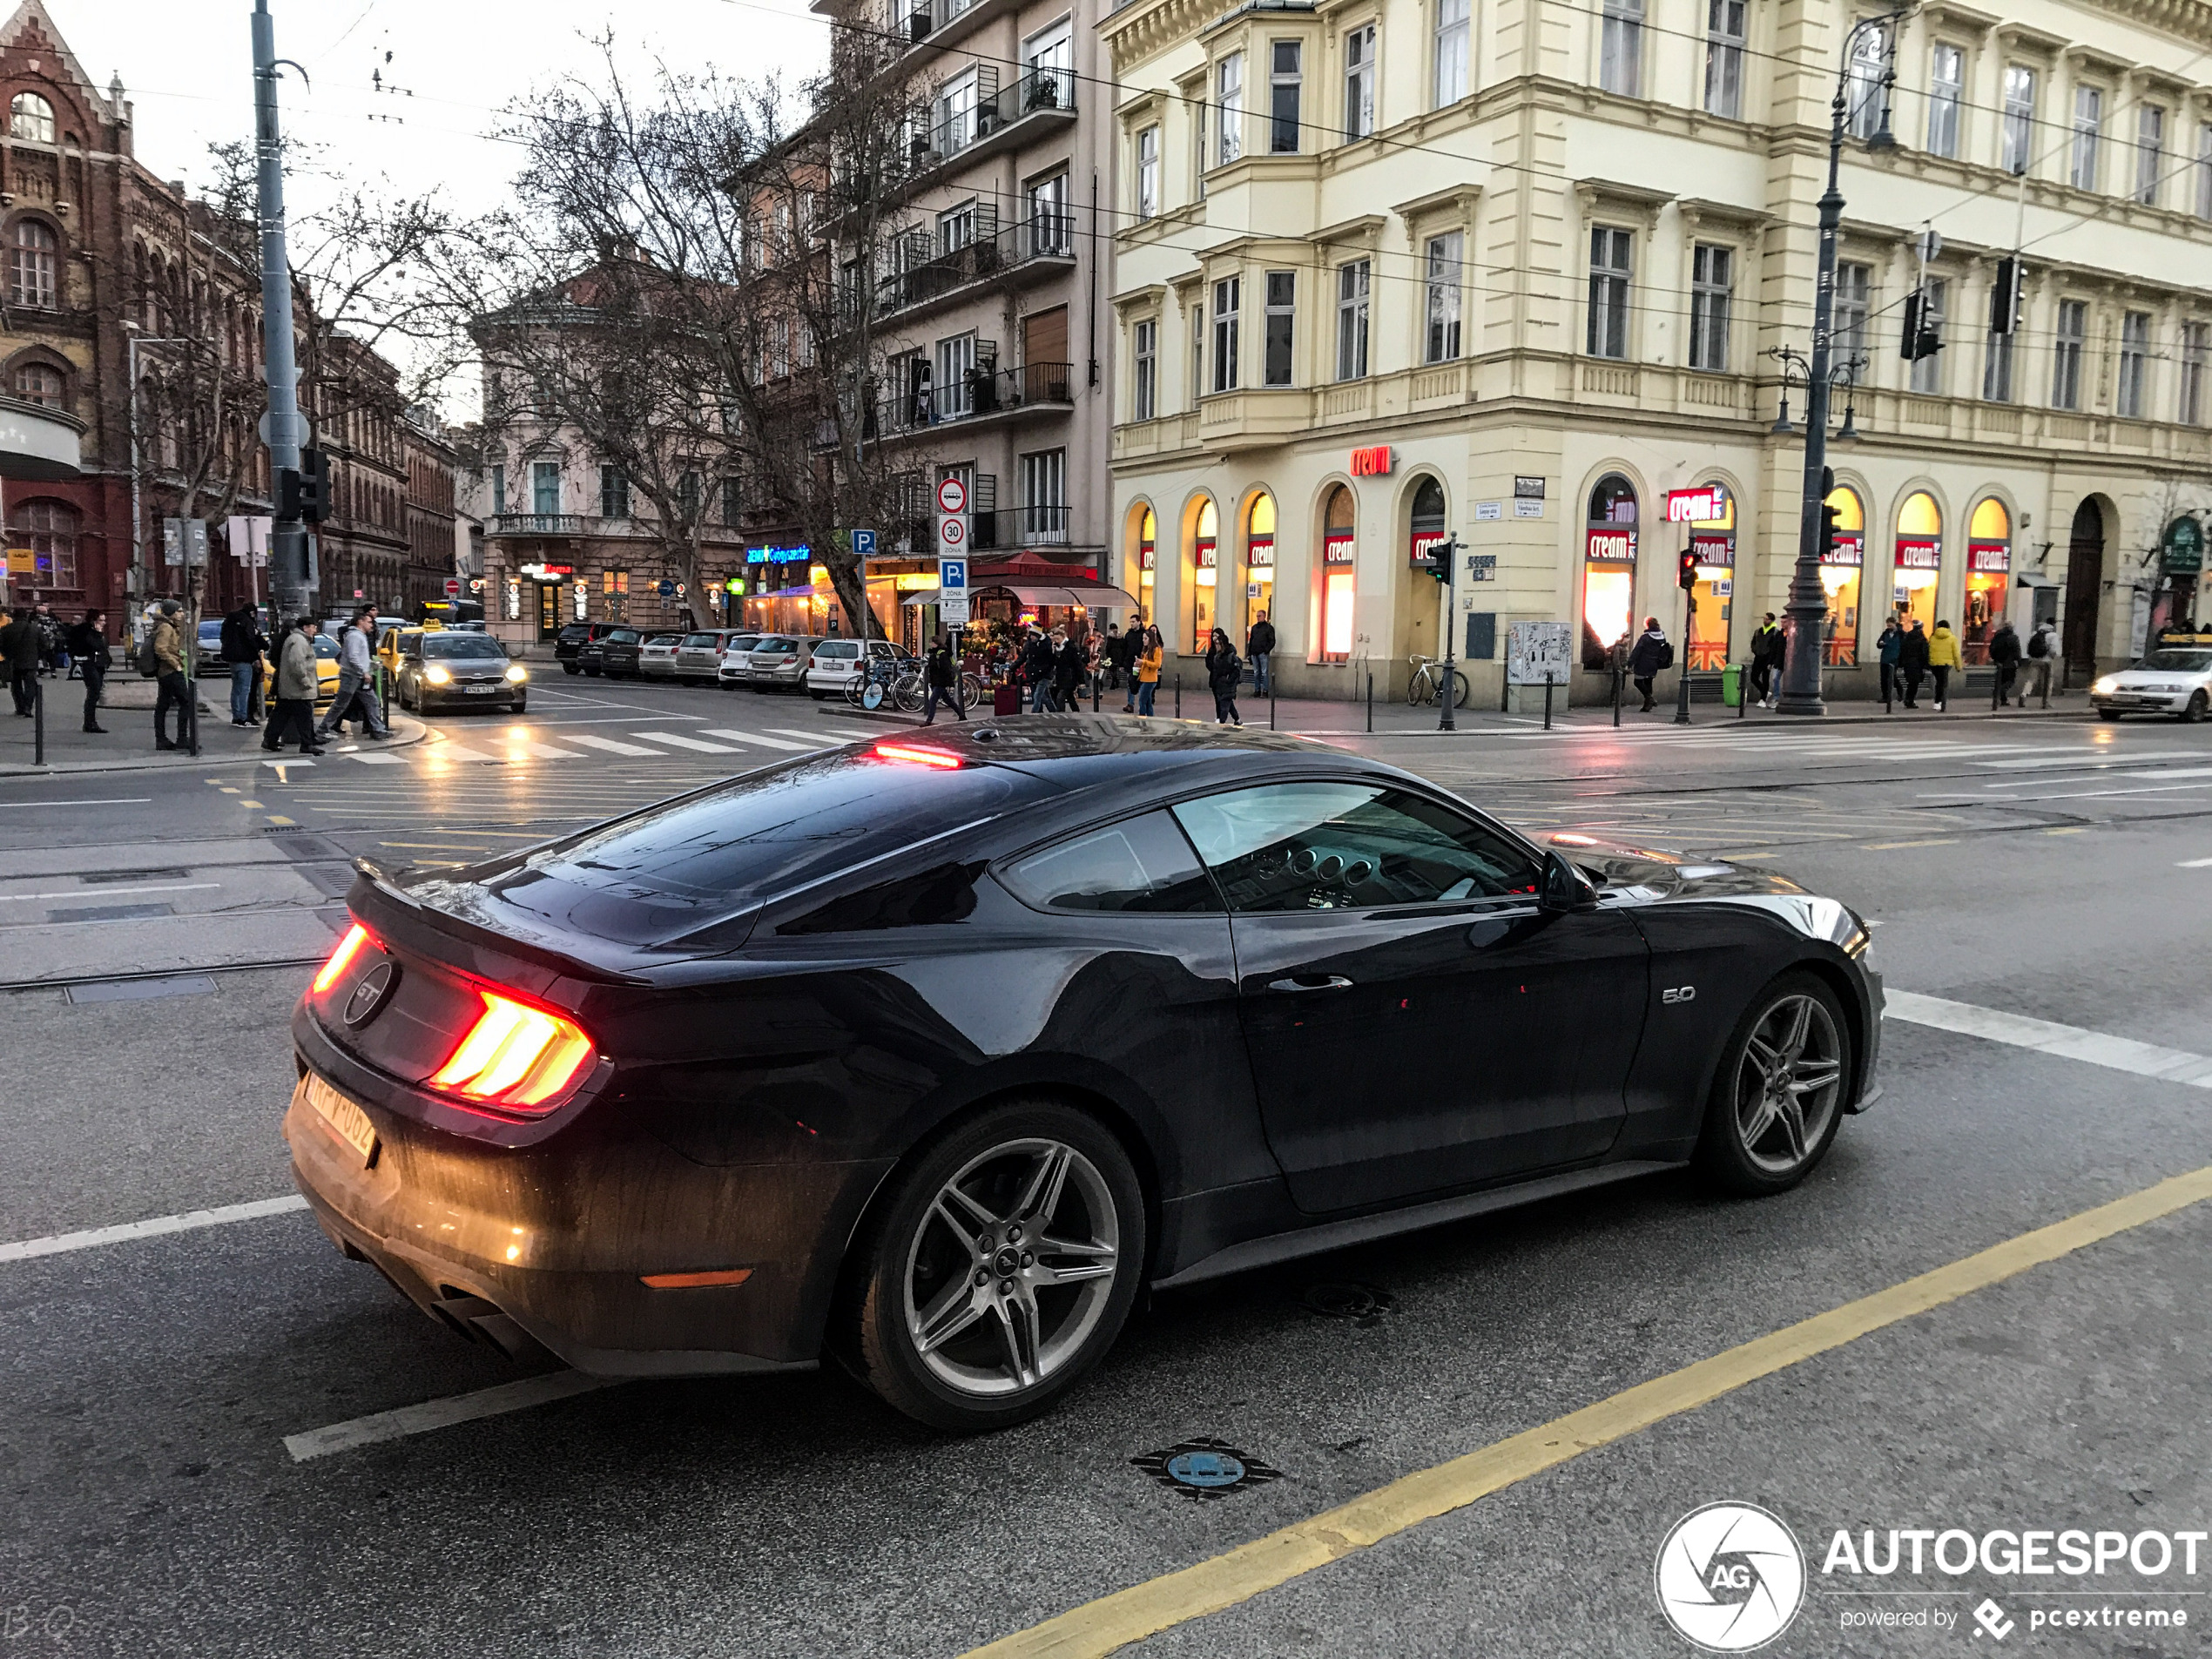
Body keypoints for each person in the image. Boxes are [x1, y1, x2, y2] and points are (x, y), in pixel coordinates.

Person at [315, 608, 390, 742]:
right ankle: (322, 730)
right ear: (360, 622)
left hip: (357, 676)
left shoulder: (357, 636)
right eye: (368, 622)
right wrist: (364, 672)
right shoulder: (355, 636)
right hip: (353, 676)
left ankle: (378, 730)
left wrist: (369, 666)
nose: (371, 625)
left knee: (372, 702)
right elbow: (353, 657)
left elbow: (355, 657)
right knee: (341, 704)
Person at [263, 617, 325, 755]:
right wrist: (305, 682)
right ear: (305, 628)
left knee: (281, 713)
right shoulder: (299, 641)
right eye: (313, 627)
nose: (315, 630)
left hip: (289, 687)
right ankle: (307, 744)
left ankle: (270, 740)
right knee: (305, 715)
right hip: (297, 688)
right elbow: (297, 663)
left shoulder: (296, 639)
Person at [151, 600, 192, 751]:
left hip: (166, 672)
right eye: (179, 611)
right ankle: (182, 738)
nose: (182, 614)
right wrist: (177, 665)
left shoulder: (168, 626)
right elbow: (160, 649)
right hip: (170, 672)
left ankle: (161, 739)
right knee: (186, 702)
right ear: (172, 613)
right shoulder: (166, 627)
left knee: (163, 705)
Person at [219, 600, 264, 727]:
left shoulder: (229, 621)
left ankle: (236, 715)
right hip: (245, 658)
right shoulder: (247, 622)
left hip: (231, 658)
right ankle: (244, 717)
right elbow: (250, 640)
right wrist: (255, 657)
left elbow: (223, 637)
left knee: (236, 688)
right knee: (245, 689)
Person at [66, 610, 109, 733]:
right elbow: (95, 645)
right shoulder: (88, 633)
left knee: (95, 693)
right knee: (93, 692)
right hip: (89, 664)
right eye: (101, 620)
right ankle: (89, 722)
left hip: (99, 664)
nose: (104, 623)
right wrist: (98, 634)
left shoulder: (96, 632)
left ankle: (90, 721)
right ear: (94, 621)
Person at [921, 628, 964, 725]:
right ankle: (961, 715)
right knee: (948, 700)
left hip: (941, 682)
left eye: (931, 642)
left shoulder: (942, 654)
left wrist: (951, 684)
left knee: (932, 700)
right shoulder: (933, 653)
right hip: (936, 681)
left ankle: (929, 721)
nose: (930, 644)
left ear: (935, 643)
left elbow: (946, 670)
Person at [1628, 616, 1669, 712]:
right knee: (1648, 682)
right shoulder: (1662, 637)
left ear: (1648, 625)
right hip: (1654, 663)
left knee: (1637, 682)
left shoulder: (1645, 638)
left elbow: (1637, 650)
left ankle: (1649, 698)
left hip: (1643, 662)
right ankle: (1647, 706)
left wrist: (1630, 662)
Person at [0, 606, 37, 717]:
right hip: (30, 661)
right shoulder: (34, 629)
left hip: (14, 661)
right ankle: (28, 706)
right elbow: (44, 645)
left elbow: (1, 645)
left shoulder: (6, 629)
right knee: (30, 685)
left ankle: (20, 707)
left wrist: (7, 655)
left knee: (16, 685)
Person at [1204, 626, 1243, 725]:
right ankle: (1237, 719)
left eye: (1218, 643)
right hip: (1219, 684)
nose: (1215, 645)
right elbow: (1211, 666)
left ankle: (1221, 722)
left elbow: (1235, 671)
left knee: (1225, 704)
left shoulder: (1230, 655)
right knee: (1227, 703)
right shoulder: (1216, 655)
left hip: (1227, 685)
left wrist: (1229, 680)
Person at [1749, 613, 1786, 708]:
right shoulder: (1758, 631)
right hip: (1758, 657)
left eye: (1766, 619)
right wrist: (1755, 650)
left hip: (1768, 658)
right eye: (1764, 618)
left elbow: (1774, 647)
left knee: (1767, 678)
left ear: (1771, 620)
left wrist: (1770, 659)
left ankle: (1764, 698)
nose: (1764, 620)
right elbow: (1753, 642)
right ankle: (1765, 692)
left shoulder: (1775, 632)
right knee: (1754, 677)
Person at [1927, 617, 1962, 711]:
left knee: (1939, 682)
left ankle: (1939, 702)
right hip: (1946, 664)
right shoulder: (1952, 638)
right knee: (1943, 683)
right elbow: (1956, 653)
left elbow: (1929, 650)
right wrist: (1958, 666)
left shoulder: (1933, 637)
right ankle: (1939, 702)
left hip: (1934, 663)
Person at [1987, 617, 2023, 706]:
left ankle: (2001, 699)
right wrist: (2019, 661)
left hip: (1999, 662)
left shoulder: (1997, 636)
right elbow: (2017, 651)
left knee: (2001, 680)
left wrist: (1994, 658)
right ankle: (1999, 693)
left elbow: (1991, 648)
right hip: (2009, 663)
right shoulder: (2013, 638)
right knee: (2010, 681)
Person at [2021, 617, 2057, 703]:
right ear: (2054, 624)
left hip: (2034, 659)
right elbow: (2053, 650)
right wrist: (2052, 657)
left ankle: (2024, 694)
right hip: (2047, 661)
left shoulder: (2034, 633)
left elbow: (2028, 646)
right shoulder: (2053, 635)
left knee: (2032, 679)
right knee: (2048, 680)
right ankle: (2046, 700)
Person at [1898, 617, 1931, 709]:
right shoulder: (1922, 639)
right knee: (1914, 683)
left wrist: (1901, 663)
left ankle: (1908, 699)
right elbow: (1925, 653)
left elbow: (1902, 650)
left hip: (1908, 663)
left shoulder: (1907, 637)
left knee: (1910, 682)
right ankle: (1910, 700)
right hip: (1917, 664)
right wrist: (1926, 666)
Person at [1022, 627, 1057, 712]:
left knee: (1037, 695)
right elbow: (1024, 657)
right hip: (1038, 673)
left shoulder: (1046, 644)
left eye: (1033, 635)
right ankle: (1054, 712)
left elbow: (1050, 661)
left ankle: (1034, 713)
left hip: (1045, 674)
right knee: (1045, 696)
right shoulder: (1032, 644)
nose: (1031, 637)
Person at [1051, 628, 1086, 711]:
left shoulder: (1071, 647)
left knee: (1060, 697)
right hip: (1060, 676)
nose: (1056, 641)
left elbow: (1078, 664)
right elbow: (1054, 662)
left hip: (1070, 677)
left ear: (1063, 637)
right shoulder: (1056, 648)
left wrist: (1081, 681)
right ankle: (1076, 711)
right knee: (1070, 697)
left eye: (1058, 639)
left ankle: (1061, 715)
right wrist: (1053, 652)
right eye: (1055, 639)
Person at [1246, 610, 1276, 698]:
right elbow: (1251, 640)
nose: (1258, 617)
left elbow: (1272, 641)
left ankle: (1265, 691)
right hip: (1254, 653)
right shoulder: (1254, 628)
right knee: (1256, 673)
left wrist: (1266, 650)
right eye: (1257, 616)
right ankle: (1257, 690)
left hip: (1263, 653)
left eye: (1260, 616)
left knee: (1264, 673)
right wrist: (1249, 652)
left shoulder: (1268, 628)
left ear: (1264, 616)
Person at [1135, 624, 1163, 716]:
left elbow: (1157, 665)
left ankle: (1142, 718)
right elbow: (1144, 663)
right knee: (1147, 702)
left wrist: (1144, 662)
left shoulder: (1157, 650)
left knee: (1142, 700)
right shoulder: (1146, 650)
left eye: (1145, 639)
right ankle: (1151, 718)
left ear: (1150, 639)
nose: (1143, 641)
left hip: (1150, 679)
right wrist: (1139, 664)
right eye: (1143, 639)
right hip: (1143, 678)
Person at [1875, 617, 1903, 707]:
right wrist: (1880, 643)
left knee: (1892, 677)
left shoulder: (1901, 634)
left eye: (1890, 625)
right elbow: (1878, 644)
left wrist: (1901, 659)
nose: (1889, 627)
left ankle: (1900, 691)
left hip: (1895, 659)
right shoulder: (1885, 633)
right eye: (1888, 625)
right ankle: (1885, 697)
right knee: (1883, 679)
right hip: (1885, 658)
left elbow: (1904, 646)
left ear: (1895, 624)